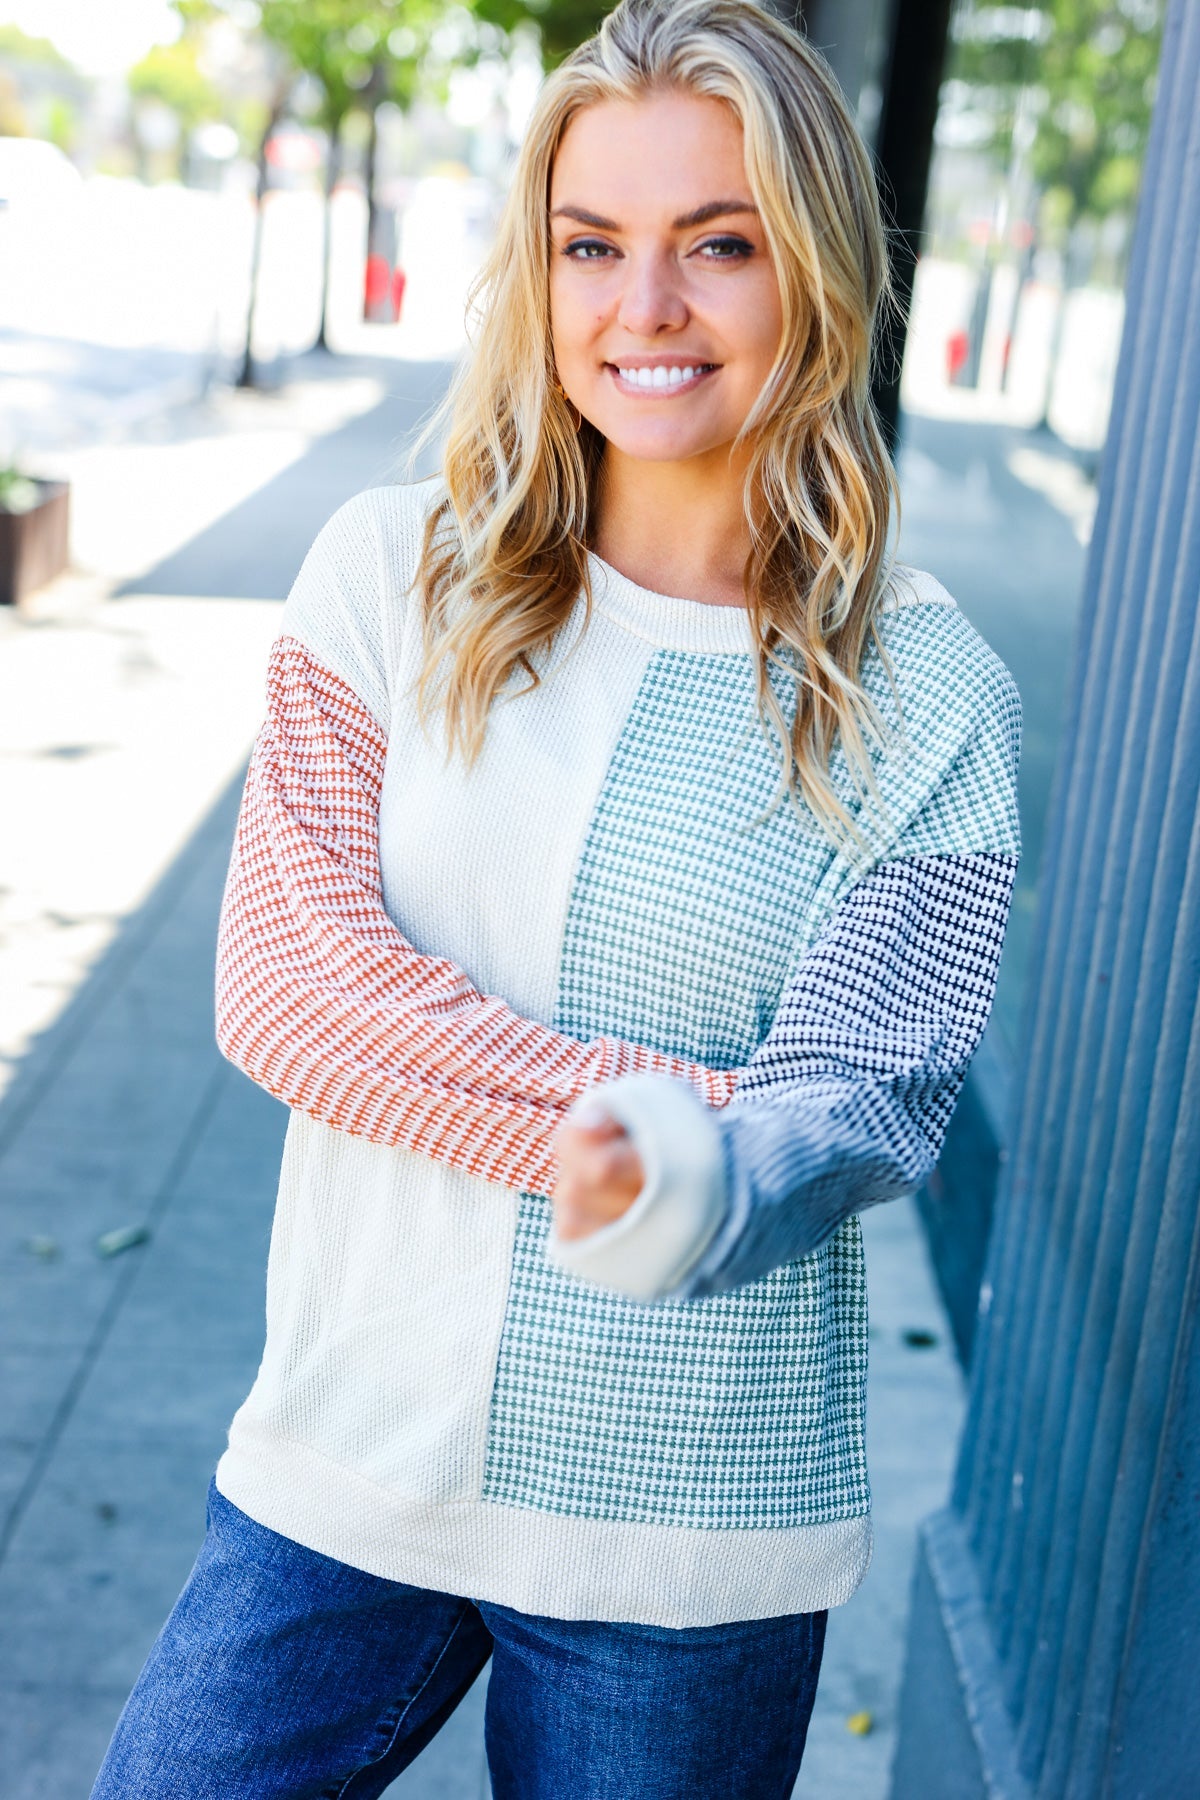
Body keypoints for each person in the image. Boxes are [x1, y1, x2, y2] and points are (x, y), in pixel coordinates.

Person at [91, 0, 1021, 1794]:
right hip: (348, 1460)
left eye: (718, 245)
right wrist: (664, 1126)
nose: (643, 307)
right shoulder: (391, 571)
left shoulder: (928, 689)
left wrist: (721, 1165)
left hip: (684, 1534)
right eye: (591, 244)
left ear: (814, 272)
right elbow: (292, 989)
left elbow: (869, 1094)